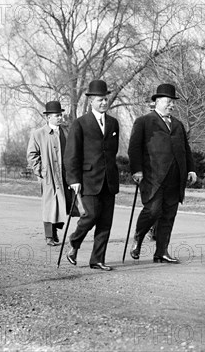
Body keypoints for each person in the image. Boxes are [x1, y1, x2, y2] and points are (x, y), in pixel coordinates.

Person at [127, 83, 197, 264]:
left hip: (176, 178)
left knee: (168, 215)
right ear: (157, 101)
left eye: (173, 102)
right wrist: (137, 170)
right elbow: (134, 148)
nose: (171, 105)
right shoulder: (144, 121)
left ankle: (161, 252)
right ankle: (138, 237)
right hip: (153, 177)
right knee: (153, 211)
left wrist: (191, 169)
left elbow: (185, 149)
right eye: (168, 101)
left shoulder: (178, 125)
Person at [64, 80, 120, 271]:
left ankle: (97, 260)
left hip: (109, 181)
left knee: (105, 222)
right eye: (99, 100)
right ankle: (74, 241)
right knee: (90, 216)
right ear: (91, 101)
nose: (103, 102)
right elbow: (71, 154)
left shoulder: (113, 123)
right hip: (88, 180)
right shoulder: (80, 124)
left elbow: (112, 152)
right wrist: (73, 180)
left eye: (105, 99)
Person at [26, 101, 73, 246]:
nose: (60, 118)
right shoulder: (38, 134)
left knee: (63, 203)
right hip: (49, 176)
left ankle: (55, 229)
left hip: (64, 174)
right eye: (57, 115)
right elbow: (32, 155)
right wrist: (41, 171)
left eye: (61, 115)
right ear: (48, 118)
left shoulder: (66, 132)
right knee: (49, 205)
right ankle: (49, 236)